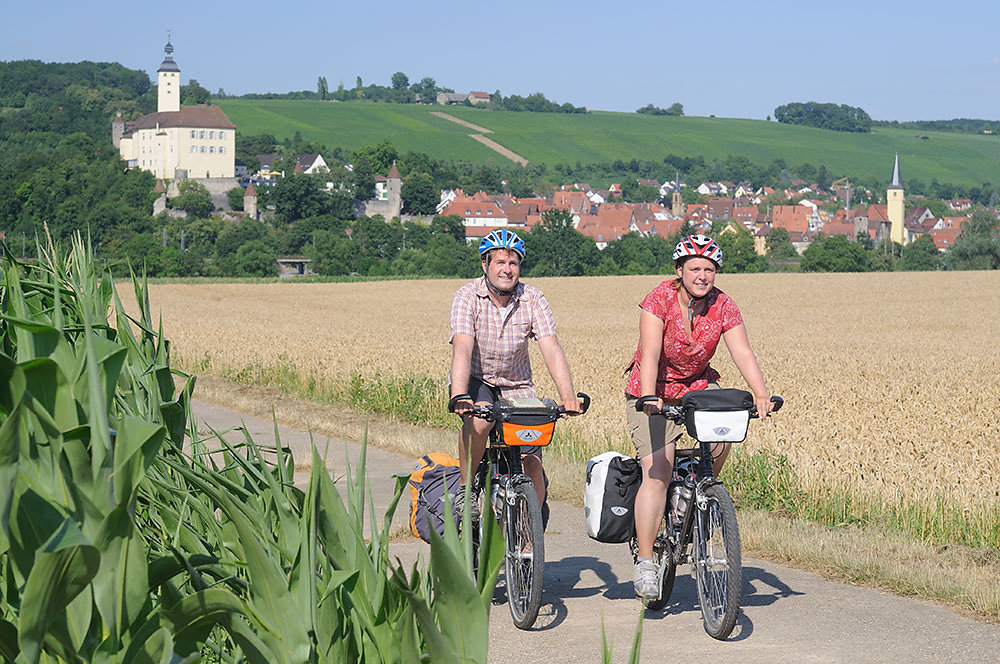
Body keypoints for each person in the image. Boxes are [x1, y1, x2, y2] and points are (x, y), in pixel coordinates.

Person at [623, 234, 774, 600]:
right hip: (653, 390)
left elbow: (742, 351)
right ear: (680, 271)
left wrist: (761, 392)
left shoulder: (724, 305)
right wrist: (648, 397)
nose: (702, 276)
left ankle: (700, 495)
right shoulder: (659, 298)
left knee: (722, 437)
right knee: (658, 471)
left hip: (697, 388)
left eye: (709, 269)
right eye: (695, 268)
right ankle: (646, 562)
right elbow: (651, 353)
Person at [448, 228, 582, 514]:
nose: (507, 270)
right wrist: (460, 394)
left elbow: (550, 347)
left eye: (513, 263)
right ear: (485, 265)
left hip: (517, 385)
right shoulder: (467, 296)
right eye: (500, 262)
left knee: (531, 461)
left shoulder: (533, 298)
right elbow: (462, 347)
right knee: (480, 422)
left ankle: (528, 537)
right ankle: (466, 489)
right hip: (476, 380)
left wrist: (568, 396)